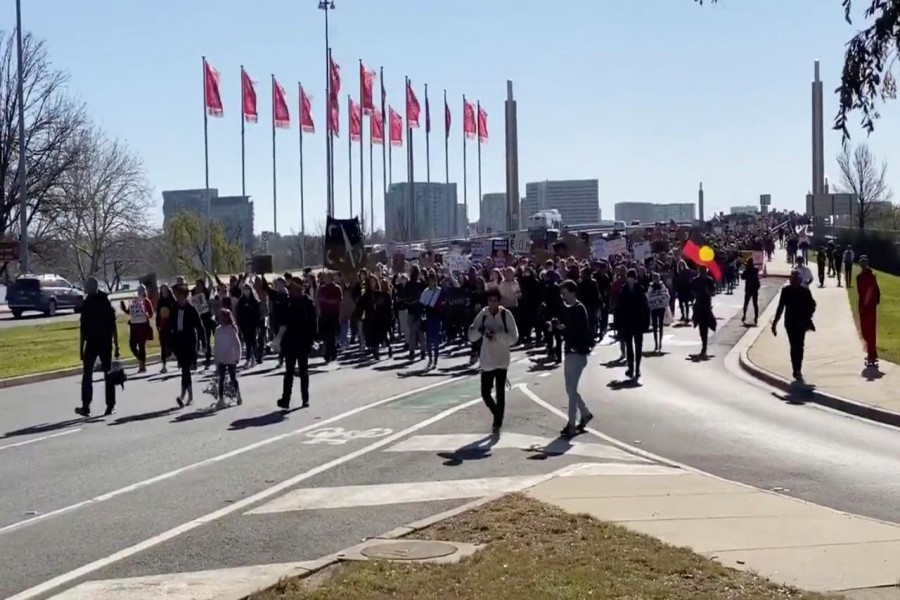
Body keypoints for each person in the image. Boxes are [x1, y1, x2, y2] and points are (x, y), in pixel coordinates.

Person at [469, 288, 518, 434]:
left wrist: (499, 335)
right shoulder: (483, 315)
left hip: (502, 358)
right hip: (487, 359)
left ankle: (497, 422)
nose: (492, 304)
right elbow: (472, 334)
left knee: (500, 391)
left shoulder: (505, 314)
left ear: (499, 301)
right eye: (490, 301)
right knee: (485, 392)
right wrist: (481, 331)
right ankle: (497, 413)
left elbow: (514, 337)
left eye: (495, 301)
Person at [76, 277, 120, 417]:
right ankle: (86, 405)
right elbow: (83, 327)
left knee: (108, 373)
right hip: (92, 342)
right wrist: (81, 347)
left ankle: (110, 405)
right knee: (87, 374)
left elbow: (113, 325)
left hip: (104, 342)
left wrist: (116, 345)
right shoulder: (87, 303)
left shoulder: (104, 301)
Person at [558, 280, 594, 438]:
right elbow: (569, 331)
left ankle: (571, 424)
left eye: (565, 294)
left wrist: (564, 331)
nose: (563, 297)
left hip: (578, 354)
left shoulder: (579, 309)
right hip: (570, 352)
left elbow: (577, 333)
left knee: (571, 390)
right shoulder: (569, 309)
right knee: (569, 389)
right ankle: (585, 413)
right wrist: (559, 329)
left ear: (572, 292)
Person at [278, 279, 318, 410]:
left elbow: (313, 325)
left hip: (303, 341)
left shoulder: (308, 303)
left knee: (303, 371)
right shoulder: (287, 302)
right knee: (289, 372)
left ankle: (305, 399)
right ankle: (286, 399)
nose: (291, 290)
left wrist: (312, 341)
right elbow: (281, 321)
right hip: (290, 342)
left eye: (293, 288)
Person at [771, 270, 817, 381]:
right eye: (793, 278)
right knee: (793, 345)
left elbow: (812, 305)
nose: (794, 280)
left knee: (799, 346)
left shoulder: (805, 292)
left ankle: (798, 369)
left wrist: (808, 316)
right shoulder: (785, 291)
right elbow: (780, 308)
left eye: (796, 278)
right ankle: (795, 369)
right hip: (790, 323)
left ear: (799, 280)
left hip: (801, 322)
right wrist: (775, 323)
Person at [168, 284, 206, 407]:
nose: (177, 298)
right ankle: (185, 395)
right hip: (179, 341)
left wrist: (203, 343)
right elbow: (171, 327)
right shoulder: (174, 308)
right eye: (175, 295)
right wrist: (170, 345)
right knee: (184, 370)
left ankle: (185, 395)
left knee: (185, 369)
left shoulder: (191, 309)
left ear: (184, 296)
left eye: (178, 295)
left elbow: (200, 328)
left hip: (189, 341)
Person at [615, 268, 650, 380]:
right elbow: (619, 308)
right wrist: (619, 323)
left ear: (635, 278)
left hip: (638, 322)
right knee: (629, 347)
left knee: (638, 347)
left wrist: (646, 323)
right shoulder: (623, 290)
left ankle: (637, 368)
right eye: (629, 277)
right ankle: (631, 368)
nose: (630, 279)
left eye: (632, 277)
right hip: (628, 323)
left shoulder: (640, 289)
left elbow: (646, 308)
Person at [214, 308, 243, 409]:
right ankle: (221, 399)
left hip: (231, 358)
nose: (221, 319)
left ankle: (238, 395)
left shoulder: (231, 330)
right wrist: (216, 358)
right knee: (221, 379)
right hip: (221, 358)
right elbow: (216, 345)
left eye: (223, 317)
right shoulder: (217, 330)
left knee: (233, 378)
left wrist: (238, 356)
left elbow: (237, 344)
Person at [856, 256, 881, 367]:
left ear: (867, 264)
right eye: (861, 263)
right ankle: (871, 352)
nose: (863, 265)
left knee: (871, 331)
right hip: (863, 307)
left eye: (864, 263)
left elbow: (876, 291)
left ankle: (872, 354)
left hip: (870, 308)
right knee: (864, 330)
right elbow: (860, 294)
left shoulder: (871, 276)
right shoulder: (859, 277)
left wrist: (874, 303)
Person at [420, 273, 443, 368]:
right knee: (429, 340)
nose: (431, 282)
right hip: (429, 317)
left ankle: (436, 360)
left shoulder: (439, 291)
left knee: (436, 339)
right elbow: (421, 304)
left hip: (437, 317)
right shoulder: (425, 292)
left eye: (433, 280)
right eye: (429, 280)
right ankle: (430, 358)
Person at [646, 272, 670, 353]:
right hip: (654, 308)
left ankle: (660, 342)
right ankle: (656, 342)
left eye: (658, 278)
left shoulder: (662, 286)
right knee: (655, 326)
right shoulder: (651, 287)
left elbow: (666, 295)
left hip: (661, 308)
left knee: (660, 326)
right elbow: (648, 296)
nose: (656, 279)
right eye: (655, 278)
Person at [741, 257, 761, 325]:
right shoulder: (755, 270)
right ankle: (755, 317)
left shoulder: (748, 270)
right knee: (754, 304)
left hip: (749, 288)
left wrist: (746, 269)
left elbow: (743, 277)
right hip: (753, 289)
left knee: (747, 303)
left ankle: (745, 316)